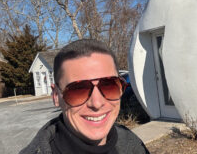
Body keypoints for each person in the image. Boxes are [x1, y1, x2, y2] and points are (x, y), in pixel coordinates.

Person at [20, 39, 149, 154]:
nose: (97, 103)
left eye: (109, 85)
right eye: (78, 90)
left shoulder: (133, 145)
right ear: (56, 96)